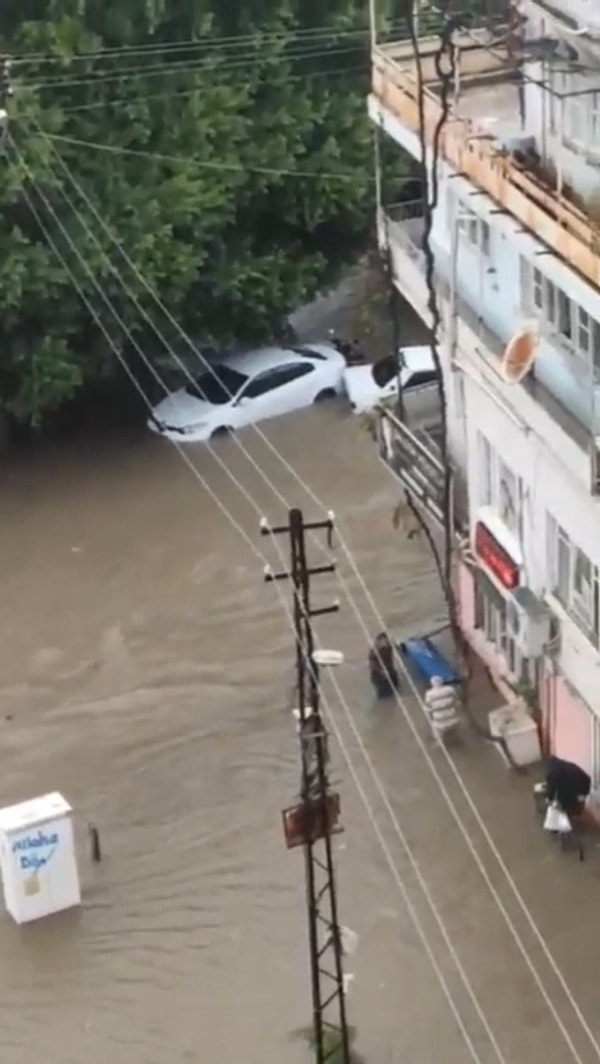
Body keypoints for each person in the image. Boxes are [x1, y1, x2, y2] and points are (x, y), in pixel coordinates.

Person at [424, 676, 459, 741]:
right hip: (453, 719)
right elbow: (456, 701)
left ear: (432, 684)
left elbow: (428, 709)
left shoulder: (429, 694)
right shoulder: (450, 689)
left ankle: (438, 741)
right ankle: (456, 737)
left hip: (439, 722)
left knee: (435, 727)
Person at [368, 632, 398, 698]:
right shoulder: (374, 651)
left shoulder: (389, 646)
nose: (386, 643)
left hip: (390, 671)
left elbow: (396, 647)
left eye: (387, 641)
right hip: (379, 676)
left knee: (396, 690)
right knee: (384, 697)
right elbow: (372, 665)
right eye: (384, 641)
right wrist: (380, 671)